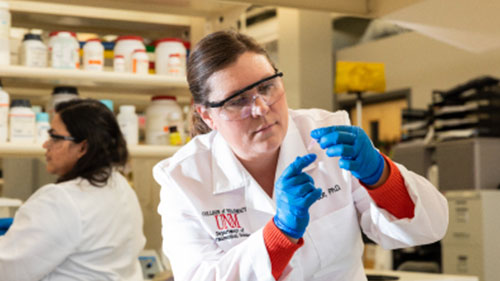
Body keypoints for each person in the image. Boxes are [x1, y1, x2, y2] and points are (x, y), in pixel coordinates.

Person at [153, 30, 448, 281]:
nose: (261, 107)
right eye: (238, 100)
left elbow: (428, 228)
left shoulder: (326, 135)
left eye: (267, 87)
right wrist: (280, 234)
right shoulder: (184, 178)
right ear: (207, 114)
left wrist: (380, 176)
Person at [0, 99, 146, 281]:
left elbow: (6, 269)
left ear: (83, 147)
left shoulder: (61, 199)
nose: (46, 145)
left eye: (54, 137)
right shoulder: (122, 187)